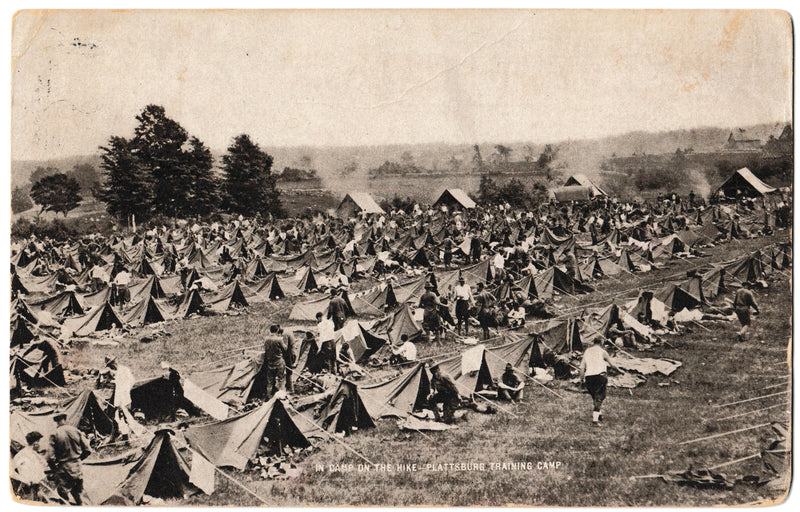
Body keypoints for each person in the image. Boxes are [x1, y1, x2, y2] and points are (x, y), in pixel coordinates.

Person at [47, 412, 91, 505]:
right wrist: (78, 459)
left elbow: (50, 457)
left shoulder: (54, 434)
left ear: (55, 421)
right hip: (77, 466)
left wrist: (55, 468)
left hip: (64, 468)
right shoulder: (76, 431)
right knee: (79, 494)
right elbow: (88, 450)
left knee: (63, 496)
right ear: (65, 419)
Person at [578, 337, 623, 426]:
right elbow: (612, 365)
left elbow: (582, 367)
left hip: (589, 377)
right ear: (601, 343)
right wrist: (621, 371)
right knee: (599, 397)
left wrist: (581, 379)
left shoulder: (587, 351)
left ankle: (599, 414)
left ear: (593, 343)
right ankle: (595, 421)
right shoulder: (603, 352)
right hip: (600, 376)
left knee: (595, 396)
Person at [12, 431, 48, 502]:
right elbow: (10, 471)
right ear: (36, 443)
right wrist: (23, 480)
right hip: (27, 488)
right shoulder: (22, 455)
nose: (41, 445)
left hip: (37, 487)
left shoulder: (34, 454)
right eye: (39, 442)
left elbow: (44, 464)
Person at [263, 324, 287, 398]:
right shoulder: (279, 339)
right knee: (281, 379)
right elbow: (285, 349)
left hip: (270, 363)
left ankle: (268, 396)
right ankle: (282, 396)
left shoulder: (266, 339)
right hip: (279, 362)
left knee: (270, 381)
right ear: (277, 330)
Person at [279, 326, 296, 393]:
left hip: (289, 354)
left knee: (288, 371)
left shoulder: (284, 334)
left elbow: (285, 348)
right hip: (292, 352)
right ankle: (289, 387)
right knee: (289, 371)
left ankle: (290, 389)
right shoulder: (288, 331)